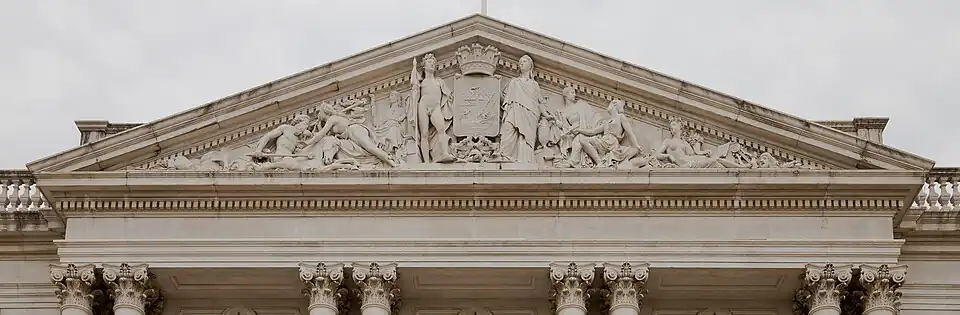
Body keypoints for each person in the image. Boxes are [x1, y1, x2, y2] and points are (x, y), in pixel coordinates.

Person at [499, 55, 546, 163]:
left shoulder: (534, 84)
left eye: (524, 61)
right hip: (513, 110)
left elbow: (540, 103)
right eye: (520, 62)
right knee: (508, 128)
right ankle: (505, 154)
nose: (521, 63)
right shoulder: (514, 82)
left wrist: (547, 115)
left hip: (530, 114)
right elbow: (505, 98)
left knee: (525, 138)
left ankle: (525, 159)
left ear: (530, 65)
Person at [569, 100, 642, 167]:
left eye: (610, 104)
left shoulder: (621, 117)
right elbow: (592, 131)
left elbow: (630, 132)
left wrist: (636, 145)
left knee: (585, 141)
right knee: (583, 141)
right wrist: (578, 130)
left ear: (614, 104)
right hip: (603, 141)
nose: (608, 106)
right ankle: (599, 162)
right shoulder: (606, 122)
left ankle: (600, 162)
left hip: (612, 142)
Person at [411, 53, 456, 163]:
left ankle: (444, 153)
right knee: (424, 134)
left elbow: (449, 95)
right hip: (423, 106)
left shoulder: (439, 81)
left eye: (433, 63)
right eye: (429, 63)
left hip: (436, 107)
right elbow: (416, 96)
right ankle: (426, 161)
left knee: (441, 129)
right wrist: (415, 90)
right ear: (424, 66)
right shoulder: (421, 82)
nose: (431, 65)